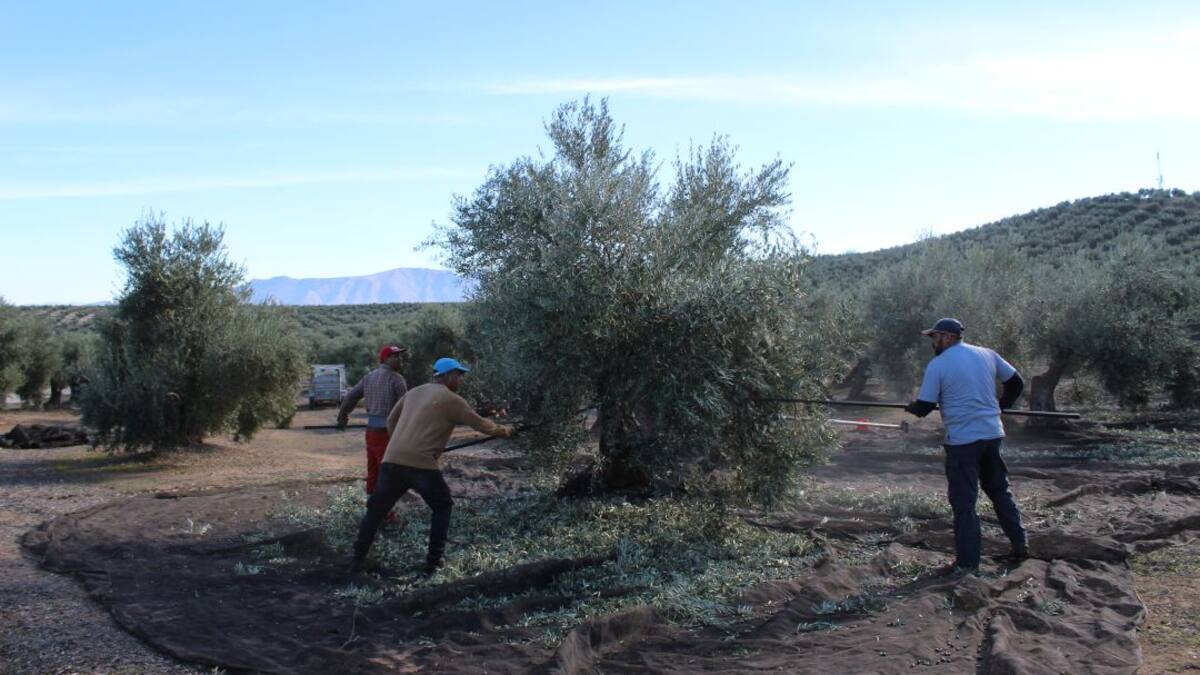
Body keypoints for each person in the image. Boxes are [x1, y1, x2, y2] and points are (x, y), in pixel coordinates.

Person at [350, 357, 513, 576]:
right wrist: (505, 431)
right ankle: (434, 563)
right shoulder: (452, 399)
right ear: (446, 375)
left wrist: (402, 443)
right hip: (420, 464)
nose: (460, 380)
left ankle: (357, 557)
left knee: (376, 509)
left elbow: (390, 421)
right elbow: (480, 424)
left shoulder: (413, 392)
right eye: (458, 375)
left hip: (392, 460)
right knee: (442, 505)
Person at [903, 318, 1027, 574]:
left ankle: (967, 563)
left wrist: (912, 408)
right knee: (999, 491)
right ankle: (1020, 545)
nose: (933, 342)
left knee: (964, 503)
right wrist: (1001, 407)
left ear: (948, 337)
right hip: (993, 434)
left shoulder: (938, 365)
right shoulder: (987, 354)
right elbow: (1017, 383)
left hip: (963, 442)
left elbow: (925, 407)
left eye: (935, 337)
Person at [338, 345, 408, 496]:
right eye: (395, 356)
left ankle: (371, 506)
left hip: (371, 433)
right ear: (386, 359)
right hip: (388, 434)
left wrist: (343, 416)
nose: (399, 360)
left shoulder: (368, 377)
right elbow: (405, 409)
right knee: (388, 473)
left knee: (374, 471)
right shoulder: (397, 379)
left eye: (399, 356)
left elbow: (351, 397)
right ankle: (385, 514)